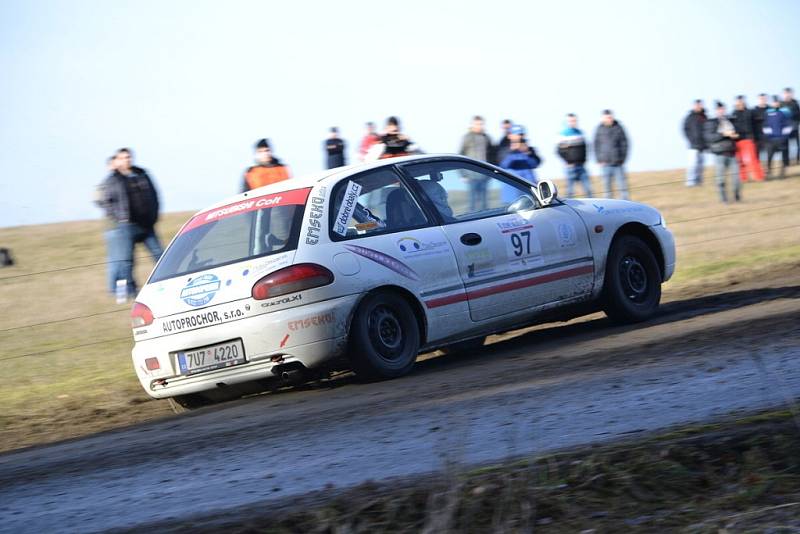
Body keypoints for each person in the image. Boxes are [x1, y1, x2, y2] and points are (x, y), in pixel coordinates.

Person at [94, 148, 163, 298]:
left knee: (161, 256)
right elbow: (102, 200)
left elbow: (154, 194)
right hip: (126, 226)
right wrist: (118, 217)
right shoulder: (112, 180)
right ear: (117, 160)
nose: (126, 160)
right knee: (126, 262)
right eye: (123, 158)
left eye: (128, 157)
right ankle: (127, 293)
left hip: (147, 225)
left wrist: (154, 214)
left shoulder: (142, 174)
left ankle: (169, 285)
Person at [704, 101, 741, 203]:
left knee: (737, 178)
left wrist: (736, 136)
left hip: (732, 153)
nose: (722, 111)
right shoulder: (711, 122)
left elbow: (737, 134)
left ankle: (737, 198)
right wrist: (724, 134)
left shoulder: (730, 121)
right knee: (720, 179)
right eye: (719, 109)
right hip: (719, 154)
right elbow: (709, 137)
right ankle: (724, 199)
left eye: (723, 109)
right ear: (716, 111)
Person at [459, 115, 494, 210]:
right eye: (477, 124)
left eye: (481, 124)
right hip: (471, 176)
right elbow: (460, 155)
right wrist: (463, 175)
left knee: (484, 203)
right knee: (472, 203)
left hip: (484, 175)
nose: (479, 126)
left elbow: (492, 155)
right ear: (472, 125)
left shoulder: (487, 138)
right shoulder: (467, 138)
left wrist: (491, 171)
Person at [594, 109, 630, 199]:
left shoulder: (619, 127)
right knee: (607, 190)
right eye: (606, 118)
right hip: (605, 164)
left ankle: (626, 207)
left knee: (623, 189)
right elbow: (596, 145)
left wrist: (622, 159)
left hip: (618, 164)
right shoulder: (599, 129)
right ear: (603, 118)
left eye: (610, 117)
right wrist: (599, 159)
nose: (608, 119)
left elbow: (625, 144)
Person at [500, 125, 541, 203]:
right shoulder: (505, 149)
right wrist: (512, 152)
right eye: (517, 135)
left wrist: (527, 153)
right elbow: (503, 165)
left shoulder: (529, 149)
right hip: (512, 186)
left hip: (528, 185)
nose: (519, 137)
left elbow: (535, 164)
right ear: (510, 136)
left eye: (521, 135)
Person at [557, 113, 593, 198]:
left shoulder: (580, 133)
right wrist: (568, 161)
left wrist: (584, 160)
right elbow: (559, 150)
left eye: (574, 121)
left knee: (588, 190)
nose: (573, 122)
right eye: (571, 121)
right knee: (570, 192)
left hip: (581, 165)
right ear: (567, 122)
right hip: (570, 168)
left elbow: (585, 147)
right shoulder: (563, 134)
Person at [731, 95, 764, 182]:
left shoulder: (751, 112)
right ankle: (743, 179)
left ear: (744, 102)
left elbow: (757, 125)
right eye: (738, 101)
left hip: (749, 139)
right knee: (740, 161)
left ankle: (759, 177)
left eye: (742, 101)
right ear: (736, 103)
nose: (740, 103)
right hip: (737, 141)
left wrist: (757, 138)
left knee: (753, 159)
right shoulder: (733, 114)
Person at [763, 95, 793, 180]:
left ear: (779, 102)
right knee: (769, 158)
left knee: (784, 157)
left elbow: (788, 125)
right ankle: (768, 175)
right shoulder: (767, 113)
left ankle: (782, 174)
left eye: (776, 101)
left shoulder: (784, 112)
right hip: (771, 140)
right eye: (774, 102)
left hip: (782, 139)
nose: (775, 103)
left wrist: (784, 137)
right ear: (771, 103)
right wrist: (768, 137)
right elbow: (765, 126)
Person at [682, 99, 707, 187]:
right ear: (694, 106)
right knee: (692, 165)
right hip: (692, 146)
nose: (698, 107)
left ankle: (699, 182)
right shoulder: (689, 117)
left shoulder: (704, 116)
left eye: (700, 105)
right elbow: (684, 129)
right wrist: (690, 139)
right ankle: (690, 182)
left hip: (703, 146)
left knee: (701, 166)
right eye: (697, 105)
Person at [783, 87, 800, 163]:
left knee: (798, 145)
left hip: (795, 127)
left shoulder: (795, 103)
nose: (787, 95)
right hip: (785, 129)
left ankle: (798, 159)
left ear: (791, 94)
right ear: (784, 94)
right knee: (785, 146)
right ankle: (786, 162)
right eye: (786, 93)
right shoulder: (781, 104)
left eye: (789, 93)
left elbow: (798, 115)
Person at [752, 93, 770, 162]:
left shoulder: (770, 109)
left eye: (764, 99)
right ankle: (759, 171)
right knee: (757, 156)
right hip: (758, 137)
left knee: (769, 154)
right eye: (761, 99)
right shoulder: (753, 110)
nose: (763, 100)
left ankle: (768, 169)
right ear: (758, 100)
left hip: (769, 137)